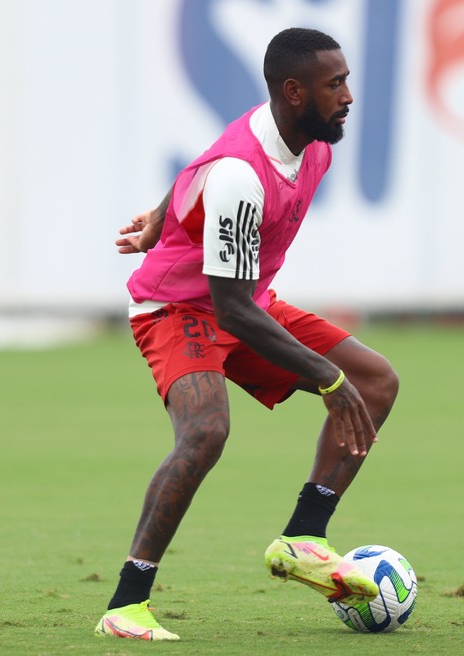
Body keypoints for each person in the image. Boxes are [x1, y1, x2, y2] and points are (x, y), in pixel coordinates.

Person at [93, 27, 399, 641]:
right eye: (334, 84)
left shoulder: (308, 142)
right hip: (179, 309)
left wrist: (159, 215)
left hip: (245, 301)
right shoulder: (242, 173)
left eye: (346, 81)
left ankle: (304, 537)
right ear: (294, 92)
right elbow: (228, 308)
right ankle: (126, 604)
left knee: (376, 380)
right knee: (206, 430)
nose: (347, 96)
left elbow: (197, 166)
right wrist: (324, 377)